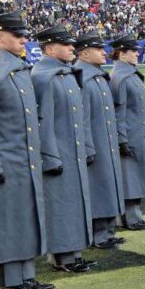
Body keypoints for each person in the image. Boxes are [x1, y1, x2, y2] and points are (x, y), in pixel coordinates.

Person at [0, 11, 49, 289]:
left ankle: (27, 275)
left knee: (26, 217)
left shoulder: (14, 67)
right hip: (5, 161)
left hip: (24, 157)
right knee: (8, 221)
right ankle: (10, 281)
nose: (24, 39)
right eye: (17, 35)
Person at [31, 24, 94, 274]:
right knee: (59, 206)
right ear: (49, 48)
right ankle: (62, 256)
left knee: (73, 203)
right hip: (58, 154)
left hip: (72, 151)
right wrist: (50, 156)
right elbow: (43, 122)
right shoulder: (44, 76)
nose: (72, 48)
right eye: (66, 44)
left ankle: (74, 252)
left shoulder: (65, 74)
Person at [75, 31, 126, 251]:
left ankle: (107, 231)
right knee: (98, 188)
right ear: (85, 54)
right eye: (98, 49)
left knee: (108, 185)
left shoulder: (97, 76)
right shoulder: (84, 79)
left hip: (107, 142)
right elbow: (82, 118)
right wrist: (87, 146)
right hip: (95, 143)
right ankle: (98, 234)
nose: (104, 53)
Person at [110, 34, 145, 230]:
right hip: (130, 136)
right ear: (122, 54)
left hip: (138, 134)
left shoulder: (130, 75)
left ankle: (135, 215)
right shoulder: (120, 78)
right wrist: (122, 140)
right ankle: (129, 218)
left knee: (137, 177)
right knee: (129, 178)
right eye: (133, 51)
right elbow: (118, 112)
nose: (137, 54)